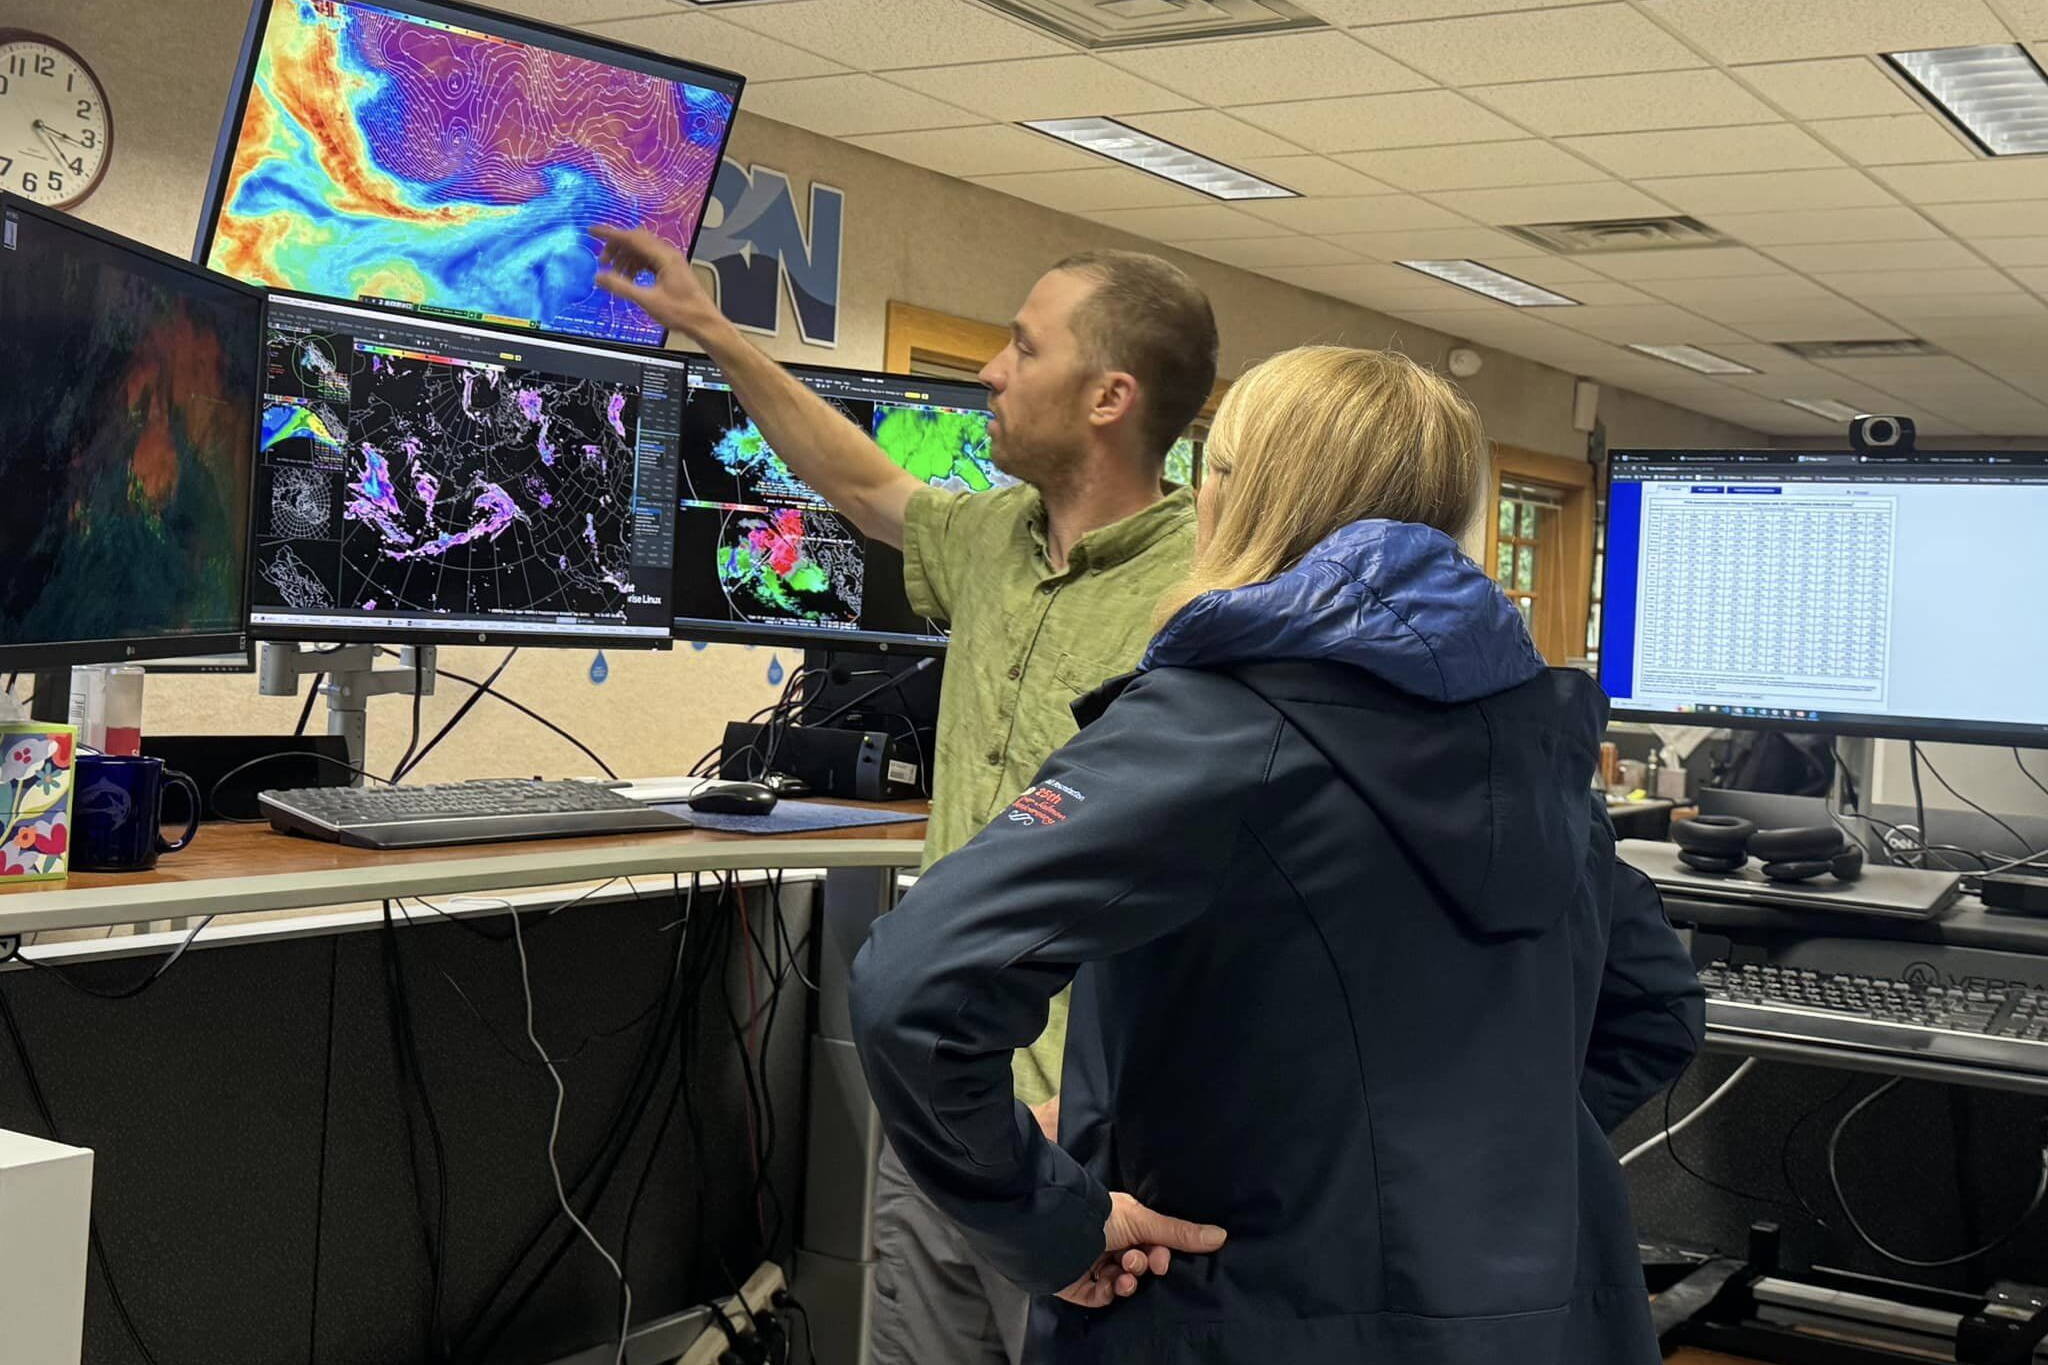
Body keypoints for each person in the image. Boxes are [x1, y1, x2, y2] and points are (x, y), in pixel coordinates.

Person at [849, 345, 1705, 1363]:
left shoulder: (1221, 722)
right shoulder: (1533, 737)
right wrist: (1473, 1178)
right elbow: (1654, 1008)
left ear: (1235, 495)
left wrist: (1053, 1218)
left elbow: (914, 988)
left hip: (1238, 1311)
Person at [591, 228, 1219, 1363]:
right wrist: (713, 330)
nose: (990, 370)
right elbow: (857, 476)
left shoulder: (1209, 590)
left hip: (1077, 1129)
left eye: (1023, 349)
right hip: (944, 1103)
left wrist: (1078, 1101)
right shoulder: (991, 538)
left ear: (1107, 396)